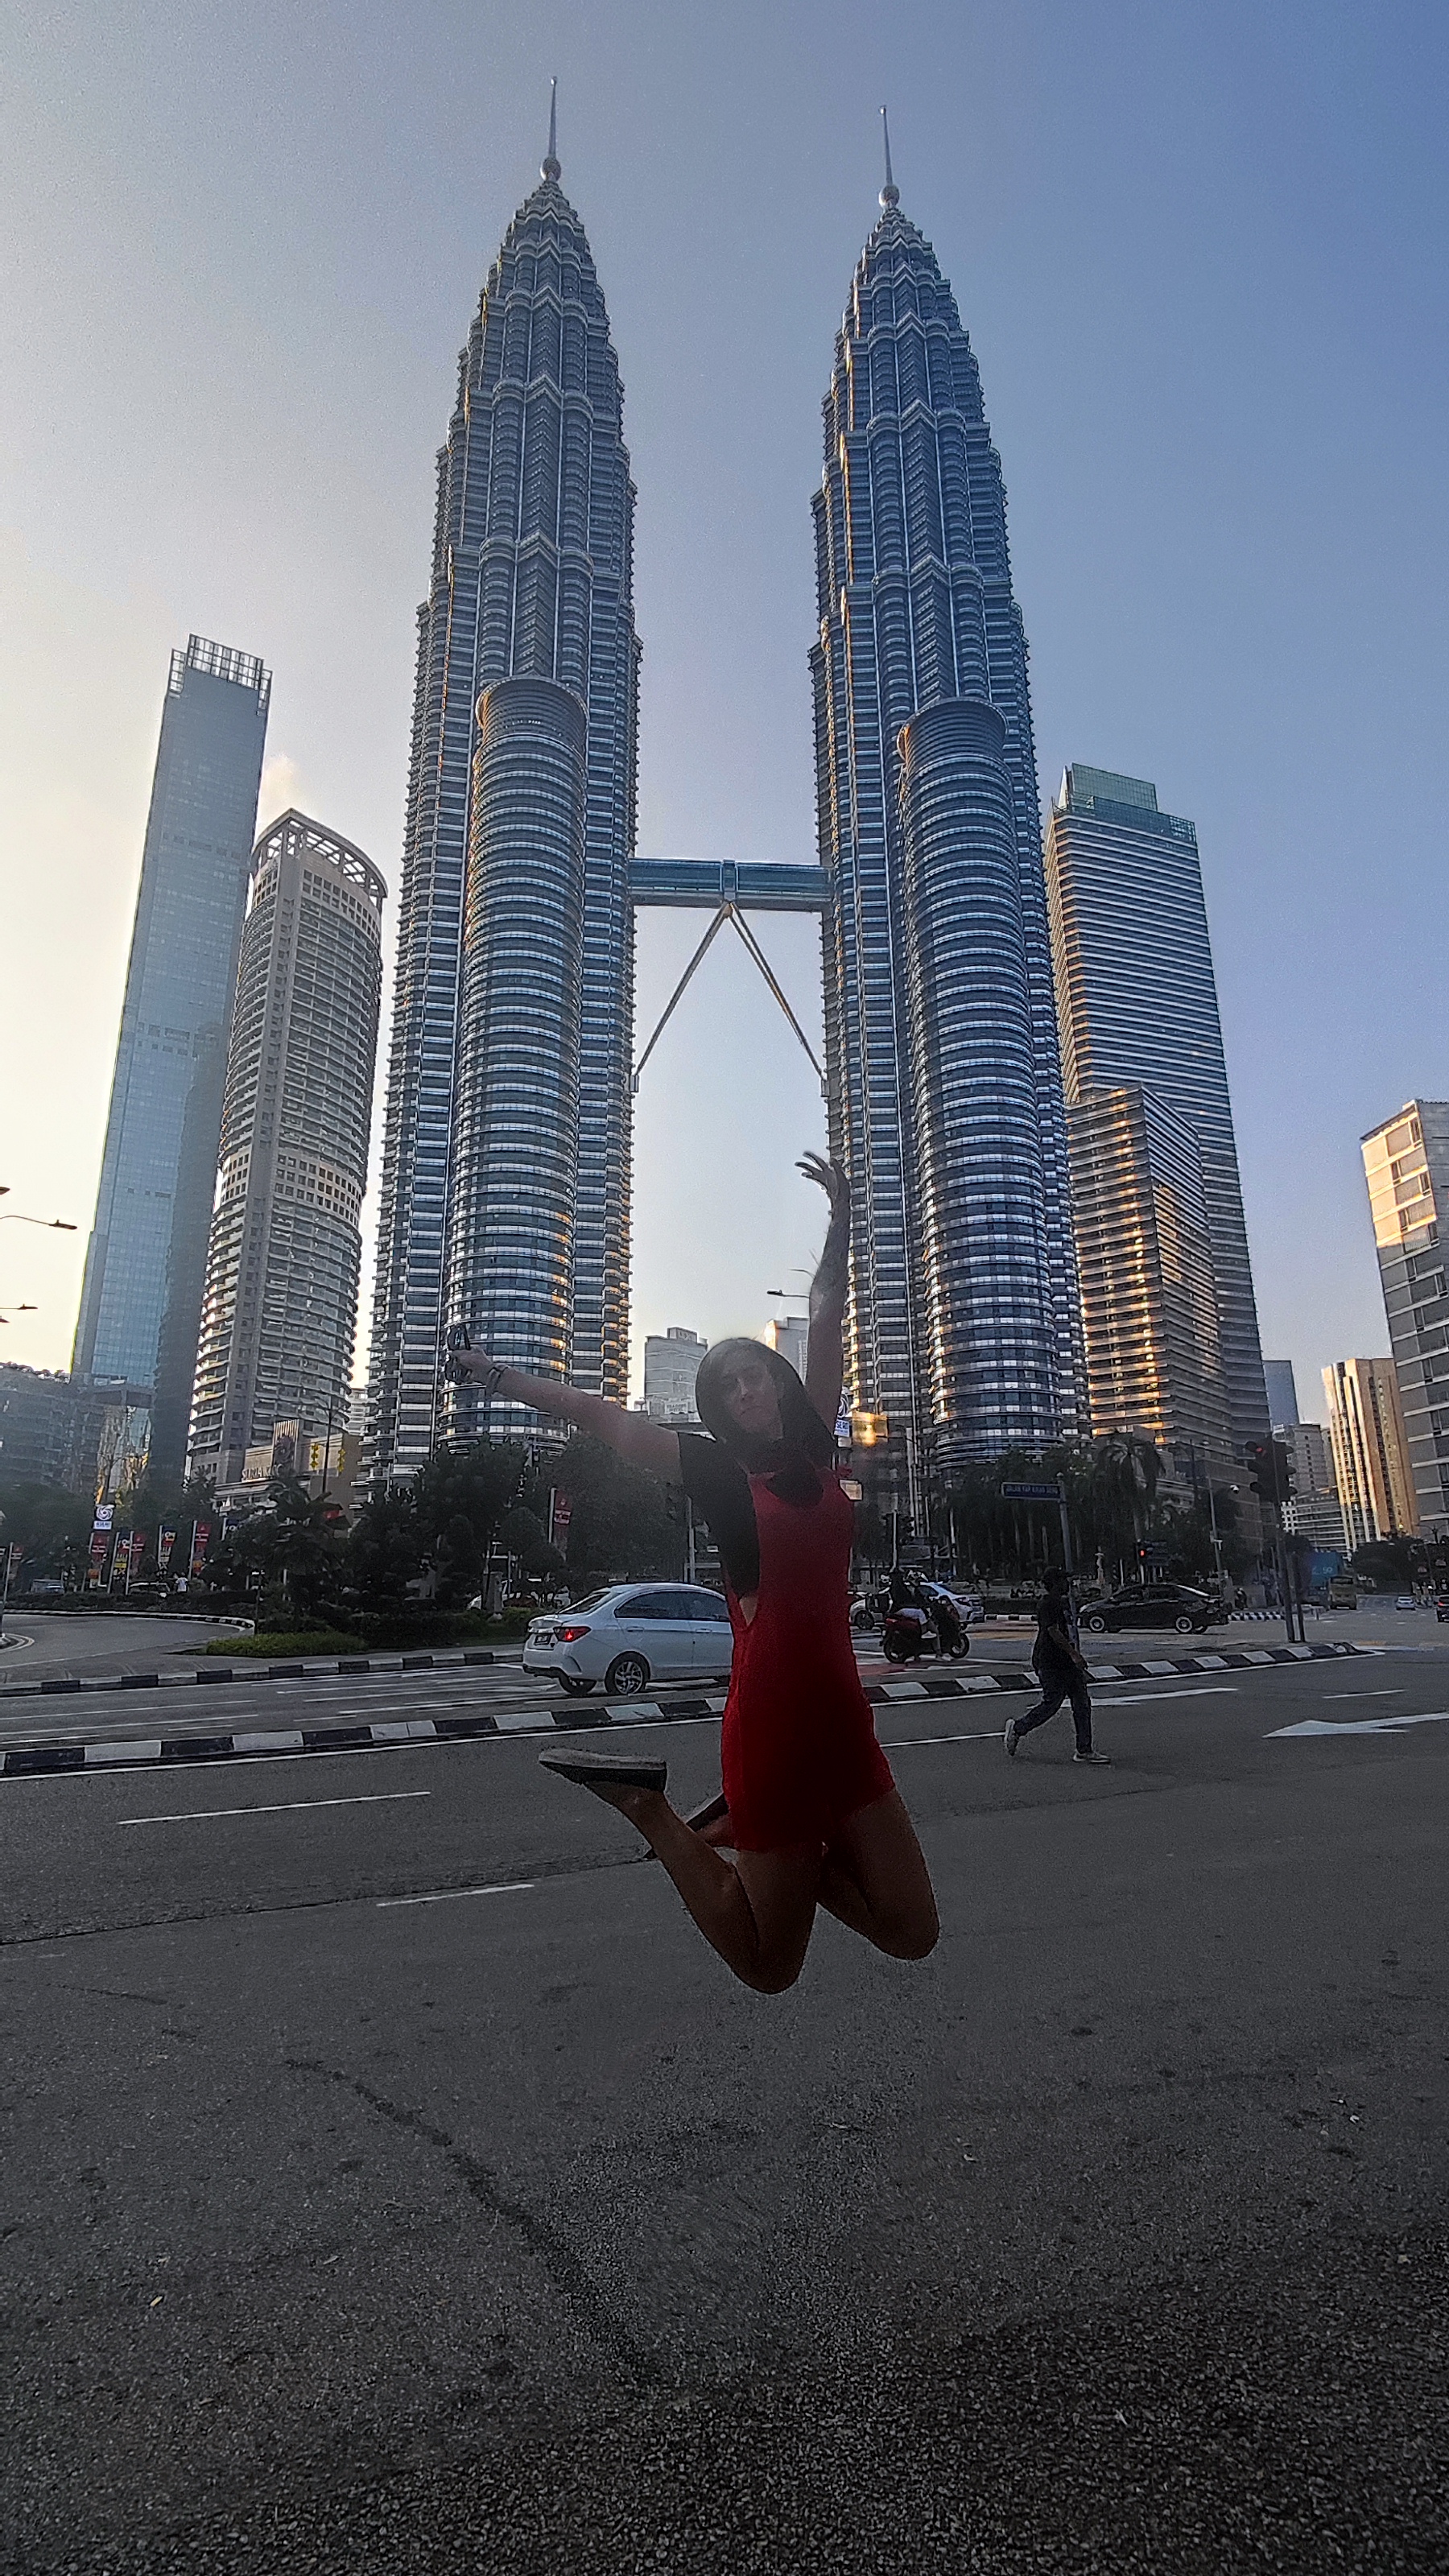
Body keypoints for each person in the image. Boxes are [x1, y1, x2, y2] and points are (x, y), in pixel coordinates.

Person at [448, 1154, 939, 1993]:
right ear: (719, 1407)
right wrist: (491, 1373)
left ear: (778, 1385)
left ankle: (756, 1830)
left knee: (912, 1930)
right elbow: (594, 1413)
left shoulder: (816, 1444)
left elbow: (828, 1312)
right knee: (769, 1966)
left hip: (844, 1725)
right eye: (729, 1386)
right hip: (774, 1732)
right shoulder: (716, 1473)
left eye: (756, 1375)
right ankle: (652, 1809)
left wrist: (841, 1216)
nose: (747, 1390)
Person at [1004, 1565, 1109, 1765]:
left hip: (1066, 1662)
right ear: (1054, 1584)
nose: (1067, 1584)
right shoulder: (1048, 1604)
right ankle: (1017, 1728)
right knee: (1051, 1704)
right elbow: (1053, 1632)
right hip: (1051, 1661)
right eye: (1063, 1581)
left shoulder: (1060, 1603)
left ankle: (1084, 1749)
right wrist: (1074, 1654)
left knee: (1082, 1704)